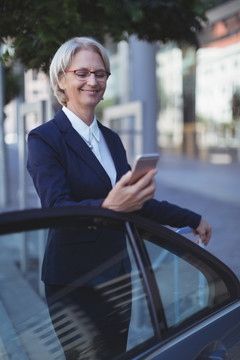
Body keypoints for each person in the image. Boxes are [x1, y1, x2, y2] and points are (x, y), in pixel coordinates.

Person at [27, 37, 211, 359]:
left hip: (118, 275)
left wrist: (191, 218)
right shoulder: (44, 138)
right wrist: (109, 206)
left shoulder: (111, 139)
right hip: (74, 282)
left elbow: (136, 203)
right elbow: (57, 208)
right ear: (61, 79)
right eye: (81, 73)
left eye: (100, 74)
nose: (92, 81)